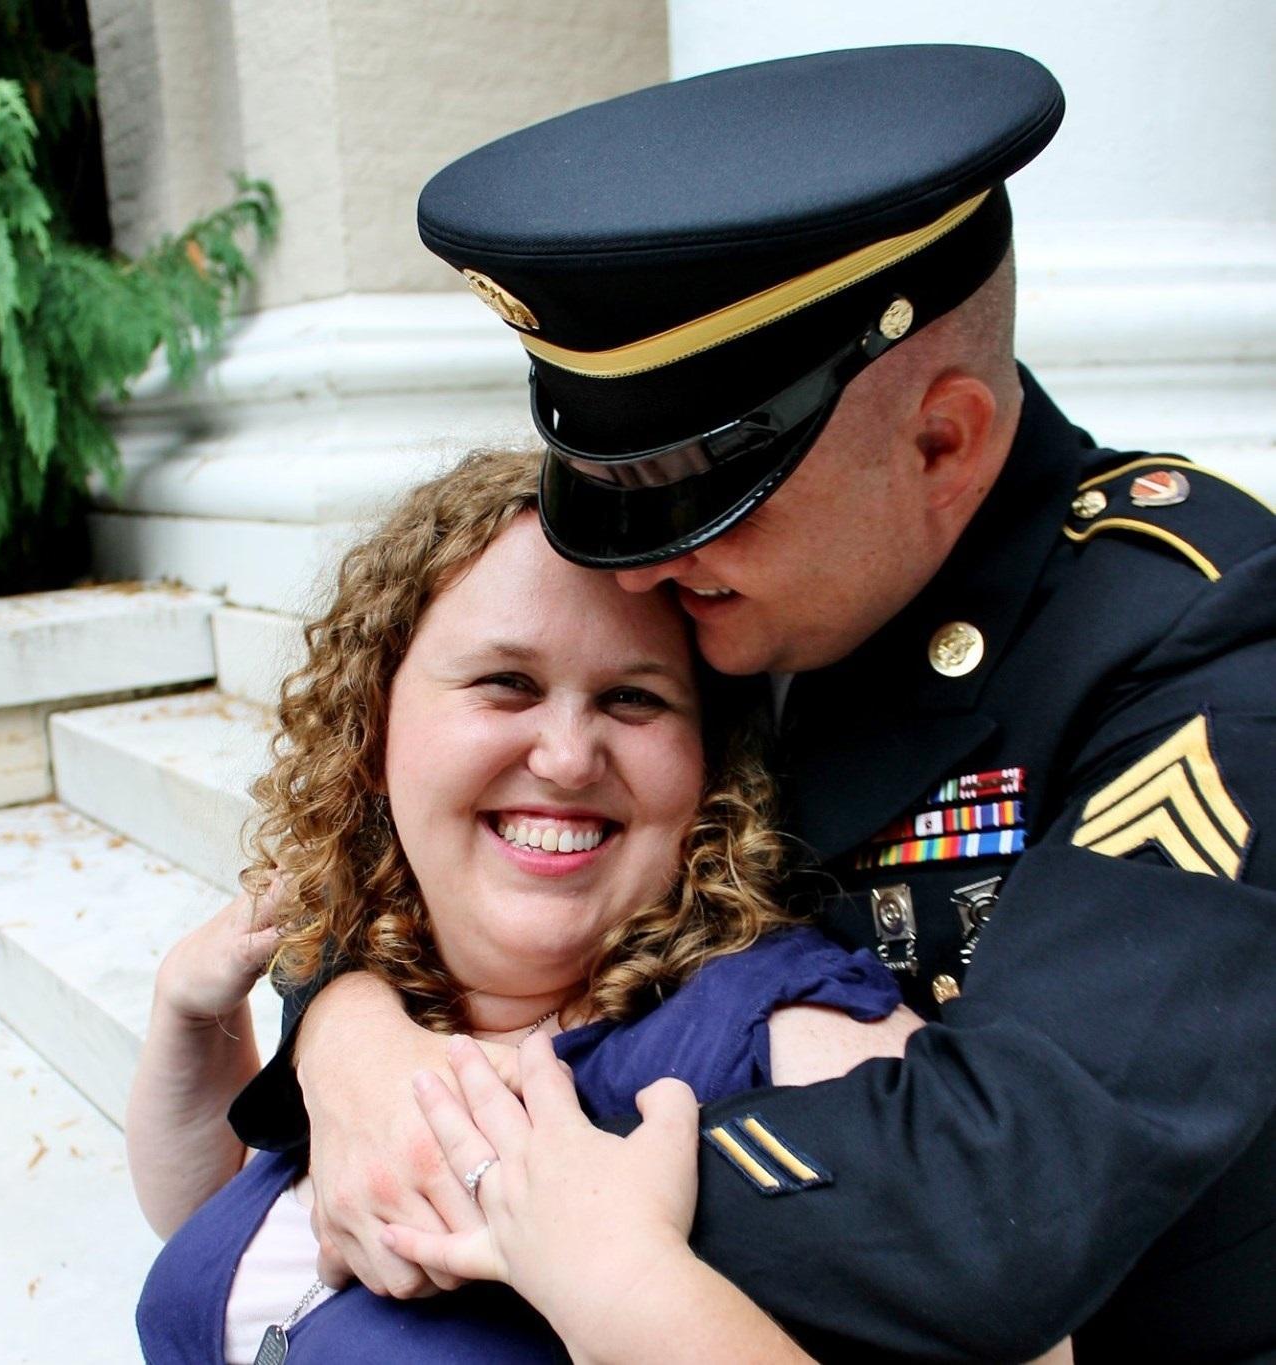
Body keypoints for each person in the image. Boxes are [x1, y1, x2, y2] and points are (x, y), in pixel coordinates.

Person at [232, 45, 1276, 1364]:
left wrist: (457, 1149)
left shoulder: (1201, 639)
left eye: (710, 492)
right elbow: (426, 824)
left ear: (941, 442)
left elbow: (998, 1201)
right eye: (616, 483)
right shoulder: (737, 583)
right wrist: (349, 1035)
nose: (645, 559)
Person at [128, 447, 928, 1362]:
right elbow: (223, 1237)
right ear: (375, 720)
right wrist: (188, 1017)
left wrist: (625, 1288)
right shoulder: (383, 987)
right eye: (506, 683)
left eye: (633, 698)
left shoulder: (786, 1039)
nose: (566, 756)